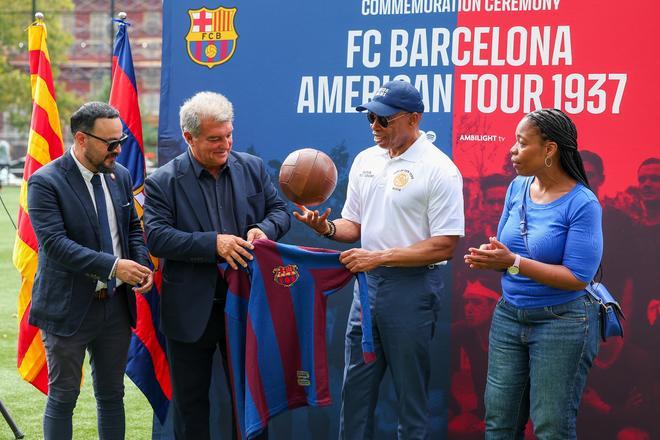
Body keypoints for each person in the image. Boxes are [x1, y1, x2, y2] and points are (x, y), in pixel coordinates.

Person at [294, 79, 465, 439]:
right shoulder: (365, 160)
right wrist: (325, 228)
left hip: (413, 289)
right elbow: (353, 225)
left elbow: (445, 245)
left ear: (414, 119)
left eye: (383, 119)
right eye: (370, 117)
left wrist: (380, 257)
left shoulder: (440, 169)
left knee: (410, 399)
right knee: (354, 394)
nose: (374, 125)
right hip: (366, 290)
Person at [143, 91, 290, 439]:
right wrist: (215, 244)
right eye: (214, 139)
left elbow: (279, 212)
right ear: (188, 137)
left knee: (252, 404)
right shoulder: (162, 181)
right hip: (190, 313)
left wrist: (263, 229)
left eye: (228, 135)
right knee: (191, 407)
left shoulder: (252, 168)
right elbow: (157, 238)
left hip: (247, 305)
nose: (225, 144)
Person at [464, 108, 603, 439]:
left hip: (563, 323)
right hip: (509, 318)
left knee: (551, 427)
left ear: (549, 149)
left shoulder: (583, 204)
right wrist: (492, 257)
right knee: (499, 423)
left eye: (521, 143)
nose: (512, 150)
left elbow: (578, 277)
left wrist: (512, 261)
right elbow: (507, 246)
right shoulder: (516, 188)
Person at [27, 102, 154, 440]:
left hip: (114, 305)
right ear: (81, 139)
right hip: (66, 307)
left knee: (113, 395)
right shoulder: (45, 181)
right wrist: (114, 266)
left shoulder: (121, 175)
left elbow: (131, 229)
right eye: (110, 142)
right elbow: (55, 244)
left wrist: (141, 266)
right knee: (64, 396)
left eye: (121, 140)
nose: (118, 149)